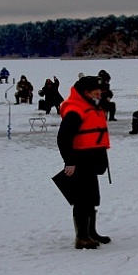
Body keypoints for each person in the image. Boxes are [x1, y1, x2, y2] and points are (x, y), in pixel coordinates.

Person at [56, 76, 112, 250]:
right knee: (82, 199)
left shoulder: (90, 104)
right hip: (80, 160)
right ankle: (82, 237)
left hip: (92, 160)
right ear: (86, 92)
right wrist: (70, 161)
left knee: (92, 198)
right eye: (96, 91)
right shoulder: (75, 109)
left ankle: (91, 232)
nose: (99, 93)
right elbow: (63, 138)